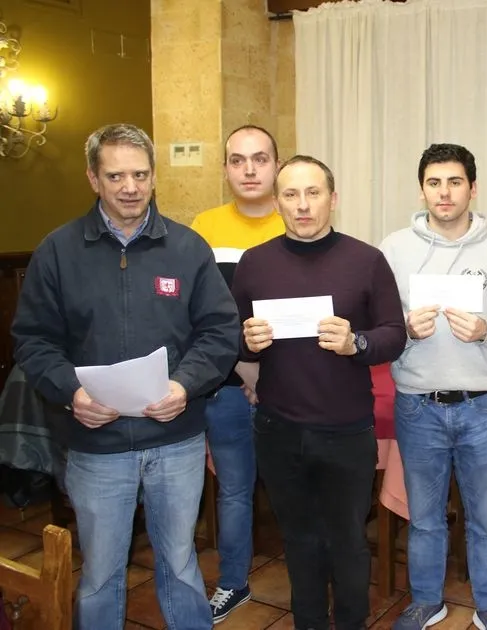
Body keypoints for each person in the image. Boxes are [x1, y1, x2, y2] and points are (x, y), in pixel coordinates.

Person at [11, 123, 240, 630]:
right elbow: (32, 340)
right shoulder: (58, 250)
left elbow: (220, 333)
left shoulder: (187, 248)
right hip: (97, 446)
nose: (130, 187)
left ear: (154, 176)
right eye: (116, 176)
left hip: (176, 440)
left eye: (140, 174)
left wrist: (185, 385)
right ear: (94, 179)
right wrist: (71, 393)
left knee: (180, 566)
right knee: (99, 576)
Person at [231, 155, 406, 630]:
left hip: (347, 430)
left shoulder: (366, 260)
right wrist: (243, 342)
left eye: (313, 193)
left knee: (348, 541)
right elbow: (227, 336)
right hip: (278, 429)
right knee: (300, 540)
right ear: (276, 201)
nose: (302, 205)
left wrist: (357, 343)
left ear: (334, 198)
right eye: (290, 194)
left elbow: (395, 333)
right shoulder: (254, 263)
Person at [379, 143, 487, 630]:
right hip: (417, 406)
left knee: (485, 517)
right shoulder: (394, 248)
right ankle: (428, 600)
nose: (444, 193)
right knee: (424, 518)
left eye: (454, 182)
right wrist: (405, 327)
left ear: (473, 187)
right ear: (421, 188)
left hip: (483, 406)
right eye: (434, 182)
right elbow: (380, 329)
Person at [190, 124, 285, 623]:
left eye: (260, 158)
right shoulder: (203, 227)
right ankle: (233, 582)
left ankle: (312, 585)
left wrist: (267, 376)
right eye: (238, 160)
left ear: (276, 164)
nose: (249, 169)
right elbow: (203, 316)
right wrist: (245, 371)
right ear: (225, 167)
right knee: (234, 489)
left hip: (293, 389)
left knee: (303, 491)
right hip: (228, 388)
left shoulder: (296, 219)